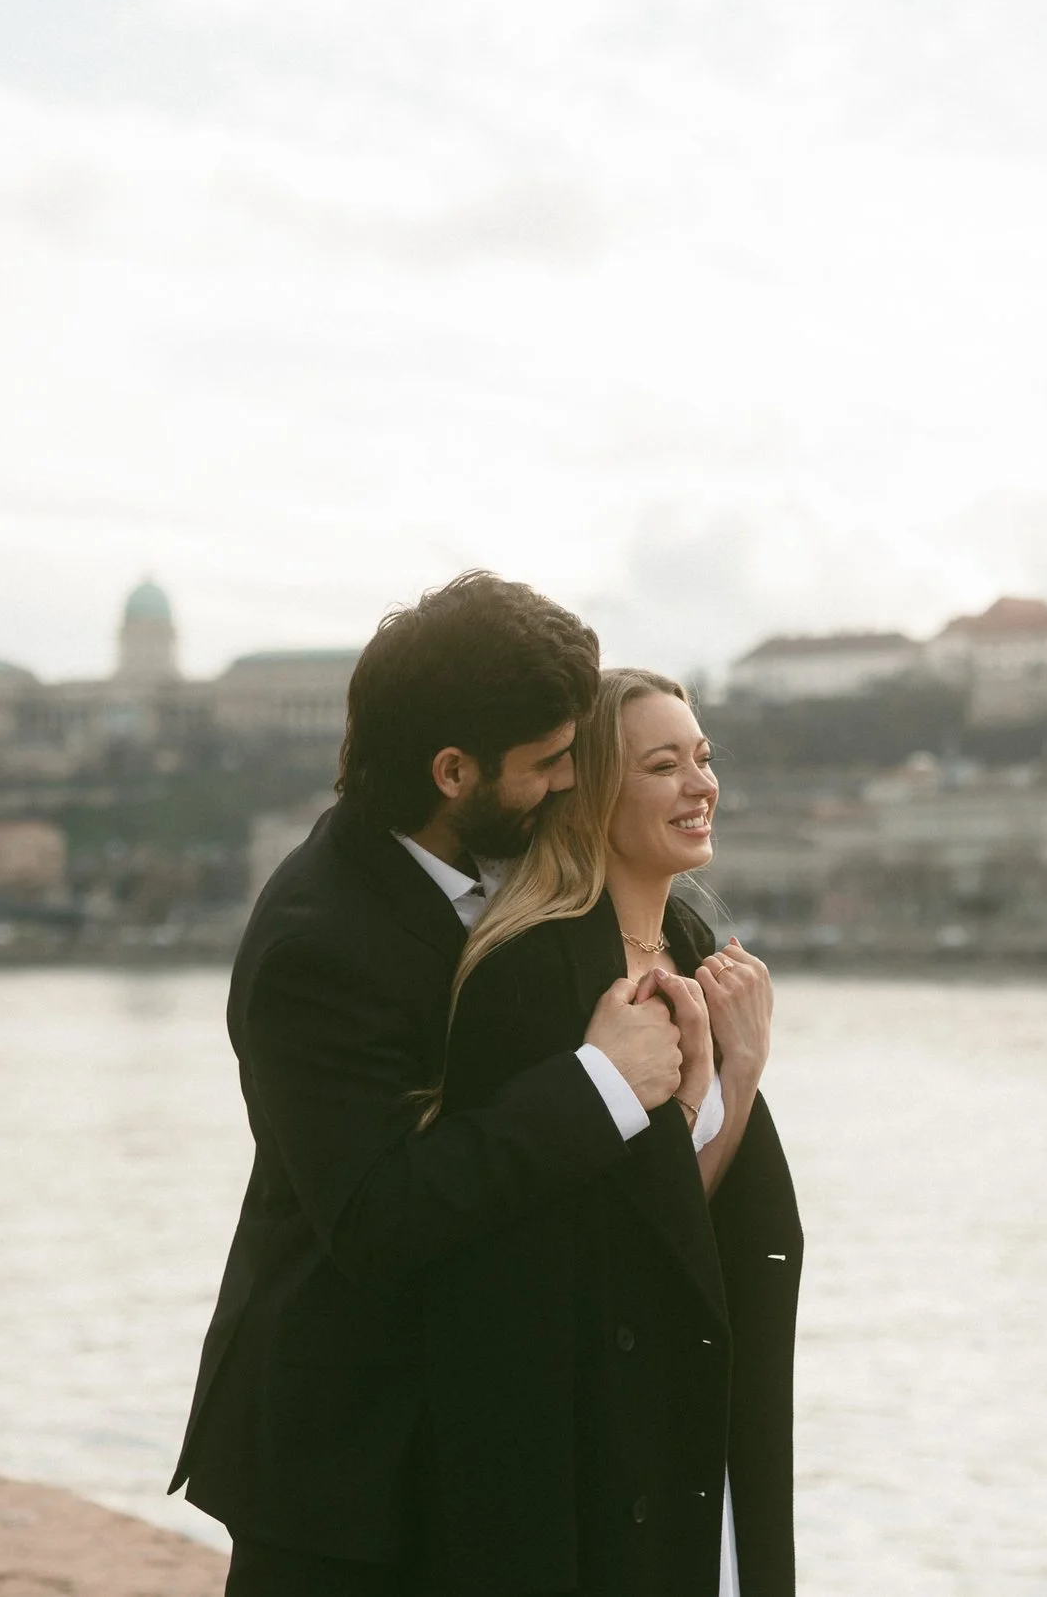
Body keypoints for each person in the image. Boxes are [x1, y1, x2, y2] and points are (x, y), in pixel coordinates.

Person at [172, 573, 700, 1596]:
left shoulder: (520, 873)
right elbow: (377, 1210)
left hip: (486, 1445)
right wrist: (599, 1082)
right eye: (550, 763)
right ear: (454, 769)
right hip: (343, 1463)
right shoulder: (316, 943)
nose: (570, 784)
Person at [422, 668, 801, 1597]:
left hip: (703, 1424)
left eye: (704, 758)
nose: (700, 784)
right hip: (598, 1461)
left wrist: (737, 1071)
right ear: (588, 791)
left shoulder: (704, 957)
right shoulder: (527, 972)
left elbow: (693, 1237)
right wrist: (735, 1078)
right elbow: (594, 1256)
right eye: (663, 764)